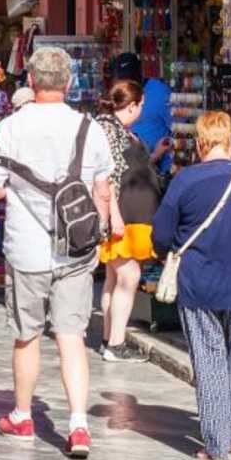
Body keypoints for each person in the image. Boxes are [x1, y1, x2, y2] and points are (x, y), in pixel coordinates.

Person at [0, 46, 116, 458]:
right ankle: (78, 426)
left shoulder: (11, 127)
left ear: (31, 82)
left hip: (27, 248)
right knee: (71, 336)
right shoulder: (89, 128)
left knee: (27, 336)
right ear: (69, 82)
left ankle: (23, 415)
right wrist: (100, 230)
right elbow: (103, 192)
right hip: (75, 250)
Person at [153, 111, 231, 460]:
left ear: (199, 144)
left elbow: (161, 235)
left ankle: (217, 445)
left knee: (209, 360)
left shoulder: (185, 181)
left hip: (201, 284)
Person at [94, 79, 162, 363]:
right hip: (125, 216)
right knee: (129, 275)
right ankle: (117, 343)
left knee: (114, 277)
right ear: (131, 105)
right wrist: (115, 217)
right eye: (141, 106)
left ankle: (110, 337)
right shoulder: (109, 131)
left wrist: (156, 154)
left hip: (133, 215)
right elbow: (107, 177)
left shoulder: (119, 130)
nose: (142, 111)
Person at [113, 52, 175, 174]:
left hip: (156, 170)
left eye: (131, 78)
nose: (128, 84)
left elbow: (176, 128)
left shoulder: (159, 92)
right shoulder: (119, 93)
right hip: (128, 169)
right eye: (123, 80)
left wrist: (165, 164)